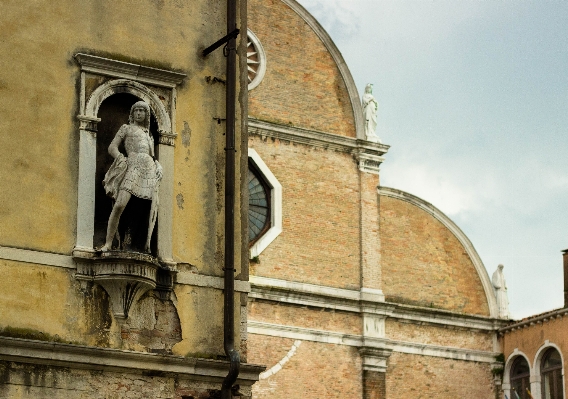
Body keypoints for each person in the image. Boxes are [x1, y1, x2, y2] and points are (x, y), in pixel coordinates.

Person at [100, 100, 163, 253]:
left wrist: (159, 165)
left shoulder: (149, 134)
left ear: (146, 115)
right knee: (120, 204)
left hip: (149, 170)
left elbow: (152, 156)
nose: (139, 113)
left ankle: (139, 245)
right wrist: (121, 158)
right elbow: (112, 147)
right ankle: (108, 243)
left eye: (143, 111)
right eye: (137, 110)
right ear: (132, 113)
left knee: (142, 210)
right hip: (133, 166)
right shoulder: (126, 128)